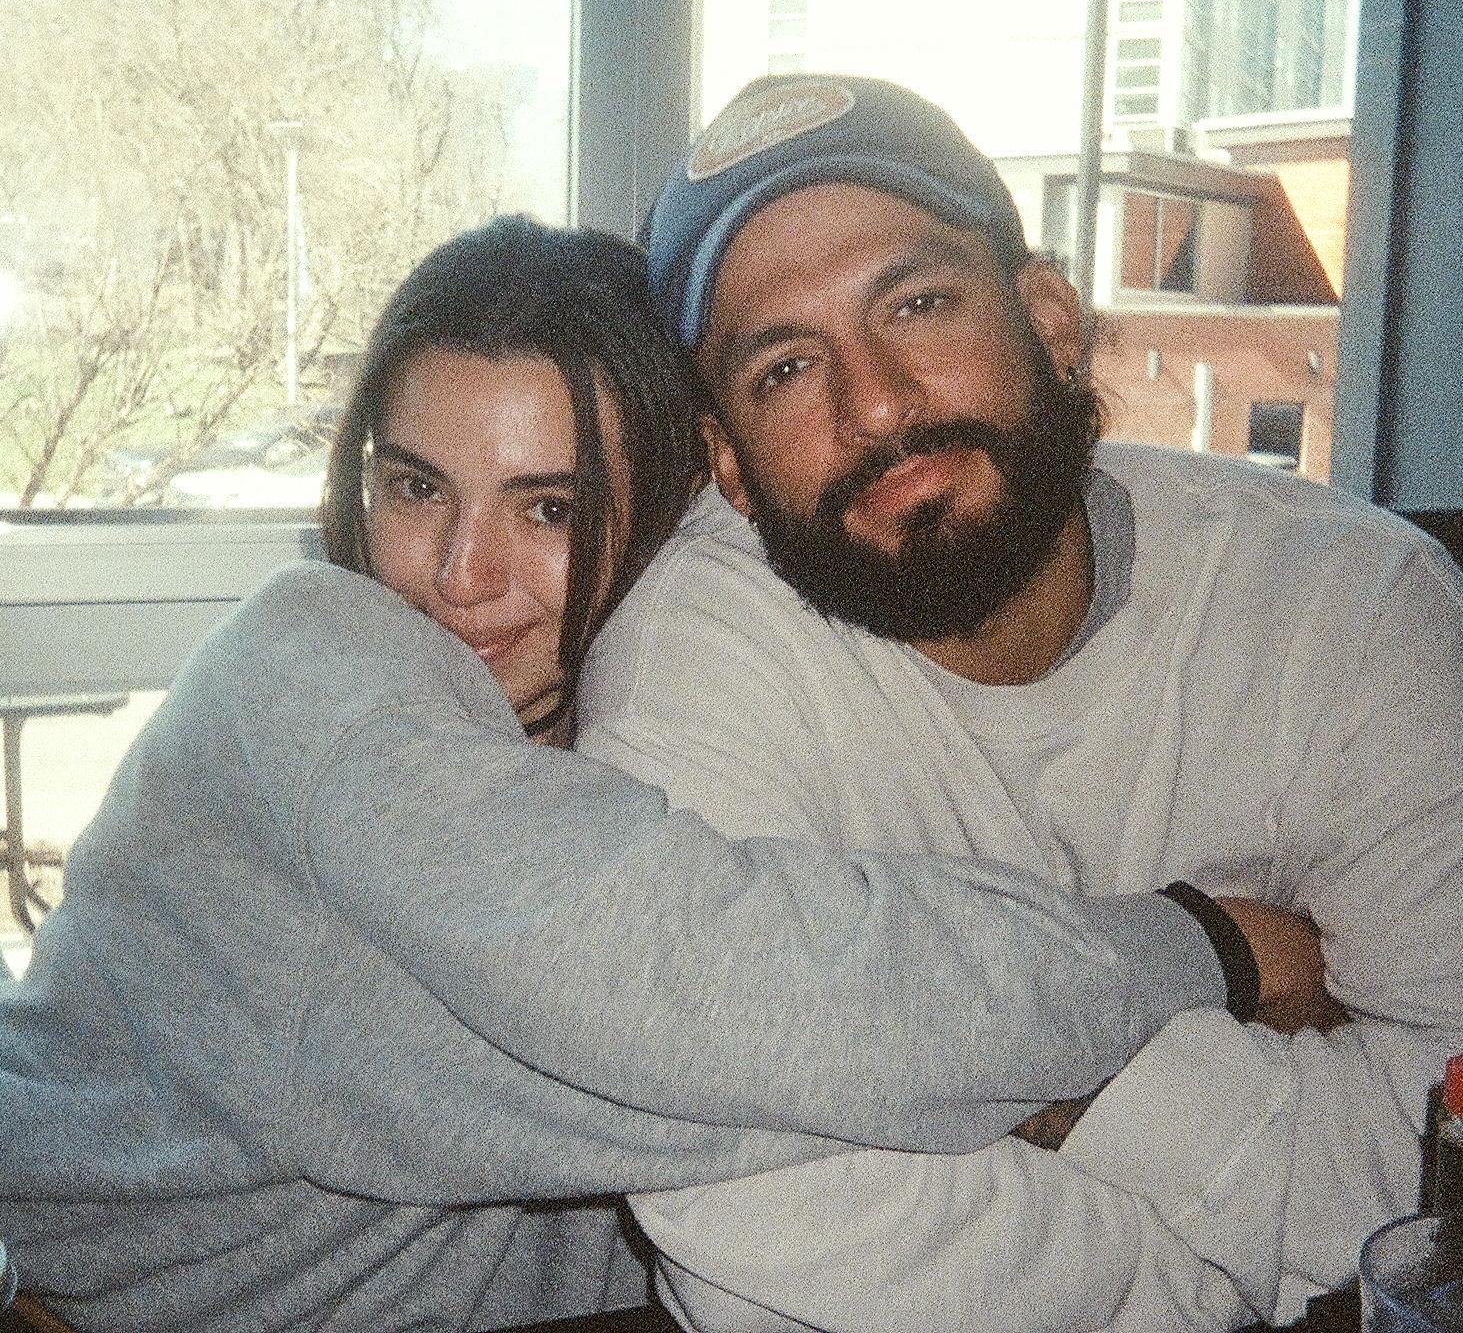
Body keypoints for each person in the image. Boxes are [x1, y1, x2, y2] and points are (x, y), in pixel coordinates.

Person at [0, 217, 1314, 1332]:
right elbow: (720, 1009)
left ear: (680, 511)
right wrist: (1197, 951)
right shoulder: (309, 673)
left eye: (549, 506)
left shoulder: (643, 740)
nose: (457, 573)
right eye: (414, 487)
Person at [576, 76, 1463, 1332]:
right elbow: (743, 1217)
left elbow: (1443, 1161)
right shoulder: (693, 659)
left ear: (1049, 318)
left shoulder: (1348, 609)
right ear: (726, 460)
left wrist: (1022, 1076)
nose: (874, 403)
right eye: (785, 366)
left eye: (916, 303)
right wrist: (1204, 1243)